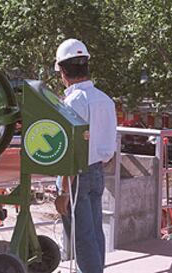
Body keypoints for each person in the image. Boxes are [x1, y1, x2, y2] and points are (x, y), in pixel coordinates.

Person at [54, 38, 117, 273]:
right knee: (94, 234)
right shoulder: (105, 99)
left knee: (82, 238)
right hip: (97, 172)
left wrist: (63, 191)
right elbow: (108, 148)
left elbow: (71, 152)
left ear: (62, 70)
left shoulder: (72, 102)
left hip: (77, 176)